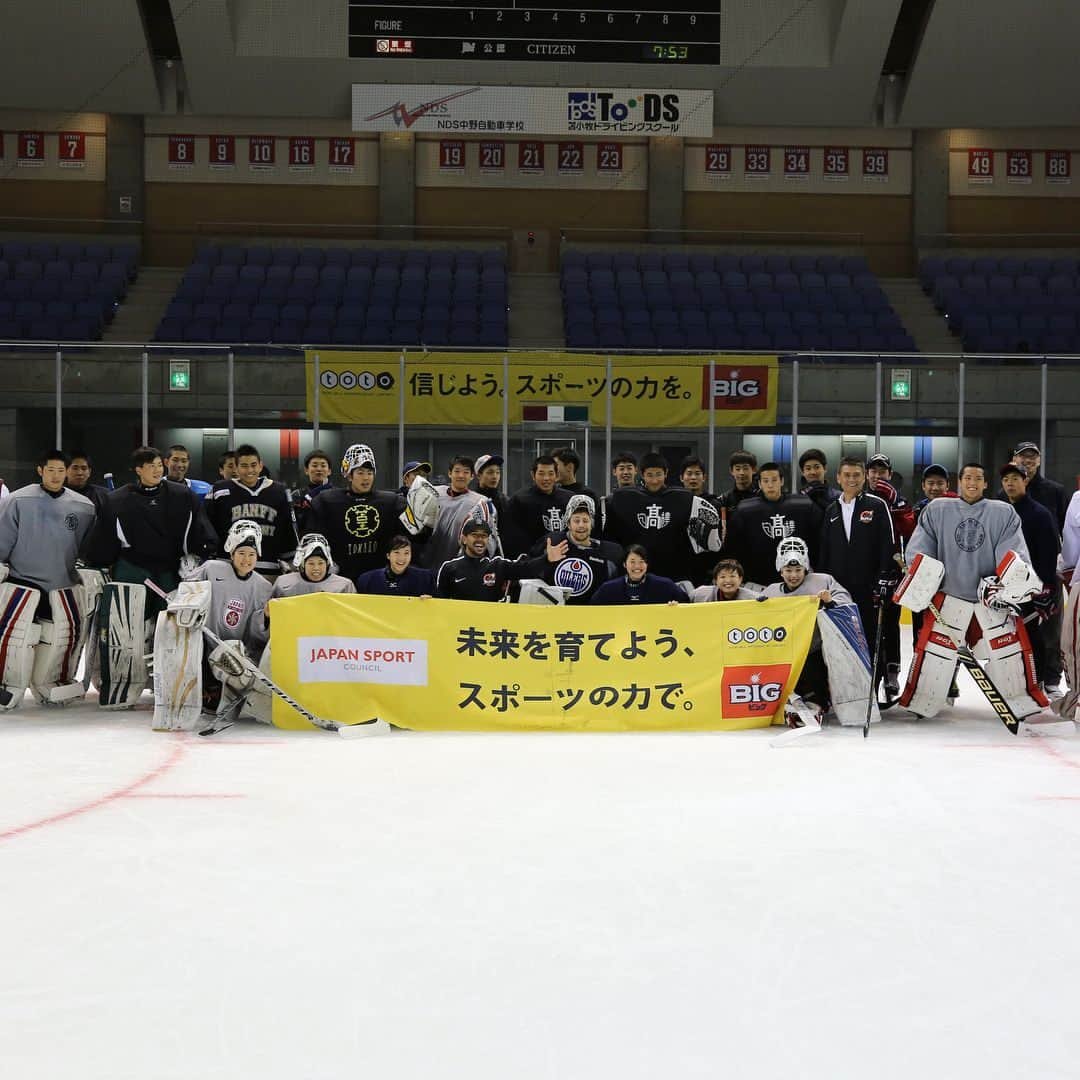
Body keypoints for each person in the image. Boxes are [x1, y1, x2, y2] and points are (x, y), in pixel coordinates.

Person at [893, 461, 1046, 720]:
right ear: (959, 483)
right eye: (967, 478)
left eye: (978, 478)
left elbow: (1012, 552)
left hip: (989, 600)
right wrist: (925, 577)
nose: (972, 483)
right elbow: (920, 548)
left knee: (1008, 654)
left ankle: (1018, 701)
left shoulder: (1003, 512)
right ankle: (923, 702)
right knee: (935, 656)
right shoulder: (937, 509)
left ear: (986, 484)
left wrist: (1004, 583)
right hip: (949, 597)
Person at [0, 450, 99, 709]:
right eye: (50, 470)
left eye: (60, 471)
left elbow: (88, 548)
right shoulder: (17, 500)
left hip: (63, 585)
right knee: (15, 640)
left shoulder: (84, 507)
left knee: (60, 640)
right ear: (40, 470)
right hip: (22, 583)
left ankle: (52, 682)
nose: (56, 476)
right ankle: (6, 684)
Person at [84, 445, 218, 617]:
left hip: (171, 570)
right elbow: (103, 540)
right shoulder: (117, 500)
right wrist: (98, 563)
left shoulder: (183, 495)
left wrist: (198, 554)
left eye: (159, 465)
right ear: (138, 470)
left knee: (170, 625)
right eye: (151, 466)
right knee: (128, 625)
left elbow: (200, 530)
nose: (157, 470)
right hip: (133, 570)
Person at [817, 456, 896, 677]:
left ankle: (874, 684)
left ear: (863, 477)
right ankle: (845, 687)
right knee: (841, 638)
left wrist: (884, 578)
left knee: (870, 637)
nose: (852, 479)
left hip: (868, 586)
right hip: (839, 589)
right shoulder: (831, 510)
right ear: (838, 478)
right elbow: (825, 549)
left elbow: (887, 544)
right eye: (847, 475)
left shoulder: (876, 505)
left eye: (857, 475)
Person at [762, 536, 855, 716]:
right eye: (788, 570)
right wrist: (759, 606)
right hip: (784, 653)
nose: (793, 575)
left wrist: (829, 601)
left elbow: (847, 605)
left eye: (798, 569)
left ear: (806, 568)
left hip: (816, 651)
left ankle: (818, 700)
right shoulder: (771, 591)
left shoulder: (822, 582)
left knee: (813, 679)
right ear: (780, 570)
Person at [600, 452, 721, 586]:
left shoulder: (683, 499)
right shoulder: (624, 499)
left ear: (666, 473)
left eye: (658, 474)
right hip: (636, 572)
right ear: (642, 474)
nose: (654, 480)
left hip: (675, 573)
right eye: (649, 475)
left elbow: (710, 544)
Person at [305, 443, 408, 582]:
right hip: (340, 579)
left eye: (369, 473)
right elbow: (312, 539)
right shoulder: (326, 501)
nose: (366, 478)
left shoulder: (391, 502)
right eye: (360, 473)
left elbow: (411, 538)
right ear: (349, 475)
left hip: (379, 580)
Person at [1000, 461, 1060, 693]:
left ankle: (1038, 684)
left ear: (1025, 481)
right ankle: (1013, 684)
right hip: (1005, 586)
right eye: (1006, 480)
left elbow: (1049, 553)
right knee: (1008, 637)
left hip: (1031, 588)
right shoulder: (1001, 510)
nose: (1010, 483)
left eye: (1015, 478)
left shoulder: (1039, 514)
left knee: (1033, 635)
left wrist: (1045, 588)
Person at [721, 461, 822, 589]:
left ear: (782, 481)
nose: (770, 485)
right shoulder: (745, 509)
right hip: (757, 580)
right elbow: (733, 546)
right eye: (765, 481)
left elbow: (818, 540)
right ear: (759, 483)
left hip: (796, 579)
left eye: (774, 480)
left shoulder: (803, 505)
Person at [207, 443, 297, 576]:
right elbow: (207, 526)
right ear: (236, 468)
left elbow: (288, 528)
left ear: (261, 465)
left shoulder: (279, 491)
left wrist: (291, 560)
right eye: (244, 466)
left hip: (268, 566)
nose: (249, 470)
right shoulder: (219, 490)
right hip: (227, 566)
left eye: (253, 465)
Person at [529, 494, 622, 605]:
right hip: (553, 616)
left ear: (592, 524)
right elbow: (528, 569)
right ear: (568, 523)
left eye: (585, 520)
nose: (581, 525)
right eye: (576, 521)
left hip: (591, 617)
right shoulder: (552, 542)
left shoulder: (609, 553)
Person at [416, 455, 500, 570]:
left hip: (459, 570)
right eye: (457, 471)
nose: (461, 475)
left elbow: (489, 540)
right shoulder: (434, 493)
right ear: (450, 473)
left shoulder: (480, 502)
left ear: (472, 476)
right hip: (427, 564)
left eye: (466, 472)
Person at [434, 518, 548, 601]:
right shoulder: (449, 568)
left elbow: (526, 569)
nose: (480, 540)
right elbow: (439, 600)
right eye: (475, 535)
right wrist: (429, 601)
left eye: (484, 536)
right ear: (464, 539)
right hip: (459, 628)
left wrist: (547, 559)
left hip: (489, 628)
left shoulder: (498, 565)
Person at [502, 454, 571, 556]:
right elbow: (511, 537)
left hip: (565, 558)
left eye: (551, 473)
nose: (546, 478)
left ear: (556, 475)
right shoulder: (519, 500)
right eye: (541, 473)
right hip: (531, 561)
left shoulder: (569, 499)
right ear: (533, 475)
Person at [999, 442, 1068, 533]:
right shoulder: (1003, 493)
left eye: (1032, 457)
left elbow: (1066, 526)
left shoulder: (1056, 491)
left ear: (1039, 461)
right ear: (1014, 459)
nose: (1028, 460)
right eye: (1023, 456)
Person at [590, 544, 685, 605]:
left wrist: (676, 606)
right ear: (624, 564)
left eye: (641, 562)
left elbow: (686, 604)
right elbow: (592, 610)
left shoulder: (665, 585)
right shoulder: (608, 588)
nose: (637, 566)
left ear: (647, 564)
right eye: (632, 562)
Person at [271, 533, 357, 599]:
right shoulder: (283, 583)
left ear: (327, 563)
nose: (316, 568)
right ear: (302, 564)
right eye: (311, 563)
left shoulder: (344, 586)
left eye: (320, 563)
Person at [356, 535, 434, 596]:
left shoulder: (425, 578)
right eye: (397, 552)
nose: (401, 558)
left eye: (406, 553)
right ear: (388, 556)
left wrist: (431, 600)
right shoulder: (367, 580)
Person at [290, 450, 335, 536]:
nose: (319, 469)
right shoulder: (297, 496)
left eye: (323, 466)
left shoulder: (338, 495)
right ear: (306, 470)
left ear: (329, 471)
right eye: (314, 465)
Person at [692, 558, 761, 602]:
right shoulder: (700, 593)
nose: (728, 580)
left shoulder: (752, 598)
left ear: (740, 579)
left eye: (732, 576)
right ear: (715, 580)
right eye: (722, 577)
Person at [798, 448, 841, 513]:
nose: (813, 472)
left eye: (817, 467)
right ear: (803, 472)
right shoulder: (798, 498)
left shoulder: (839, 497)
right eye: (808, 468)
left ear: (825, 468)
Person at [472, 453, 507, 525]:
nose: (495, 476)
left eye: (498, 472)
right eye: (490, 472)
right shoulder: (471, 500)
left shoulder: (504, 500)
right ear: (479, 475)